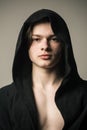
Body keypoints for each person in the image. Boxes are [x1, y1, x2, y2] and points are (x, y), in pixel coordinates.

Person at [0, 9, 87, 130]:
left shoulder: (84, 94)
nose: (45, 47)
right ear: (26, 46)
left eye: (54, 39)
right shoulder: (5, 98)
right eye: (36, 39)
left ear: (64, 45)